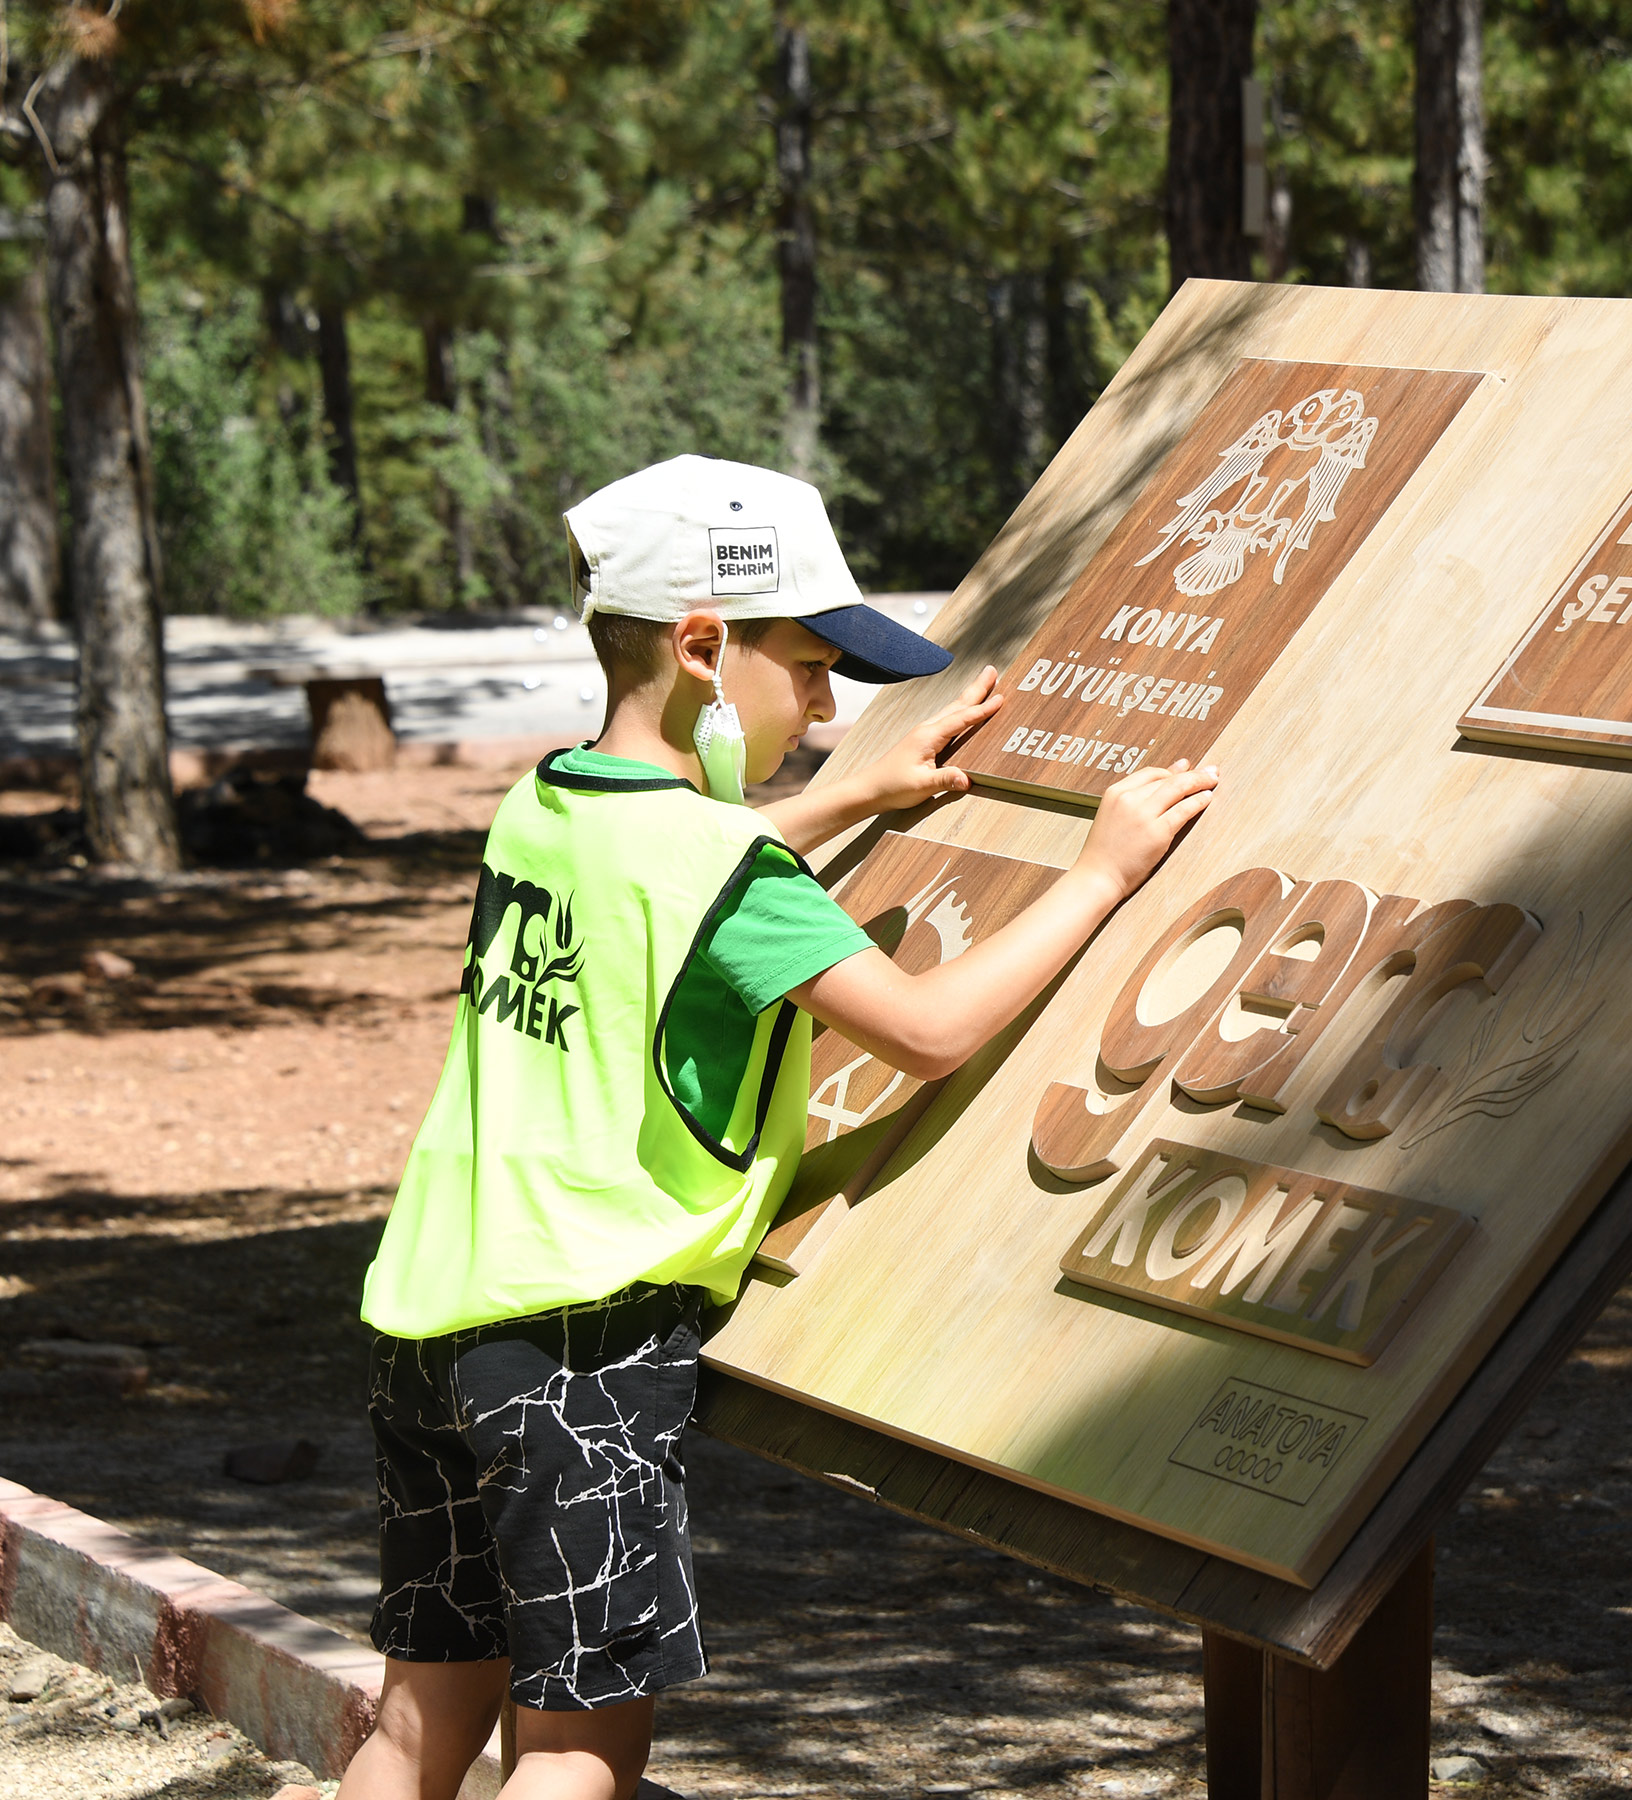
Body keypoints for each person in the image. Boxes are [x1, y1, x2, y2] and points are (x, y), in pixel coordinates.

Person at [337, 456, 1216, 1800]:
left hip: (429, 1324)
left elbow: (670, 867)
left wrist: (848, 800)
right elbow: (925, 1027)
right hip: (583, 1354)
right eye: (811, 666)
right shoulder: (732, 874)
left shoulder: (544, 804)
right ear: (703, 645)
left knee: (416, 1732)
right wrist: (1100, 871)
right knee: (574, 1755)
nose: (826, 702)